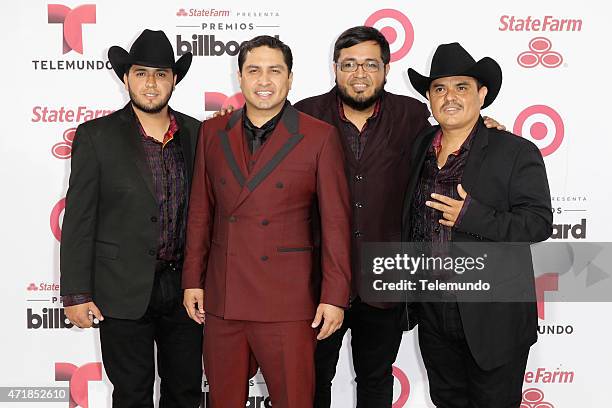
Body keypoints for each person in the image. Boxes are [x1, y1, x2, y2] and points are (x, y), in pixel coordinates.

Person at [295, 27, 504, 408]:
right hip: (319, 280)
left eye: (371, 64)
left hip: (386, 276)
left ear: (387, 69)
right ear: (335, 68)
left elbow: (454, 135)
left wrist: (485, 126)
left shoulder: (411, 116)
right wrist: (228, 117)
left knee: (376, 379)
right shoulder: (305, 115)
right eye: (350, 64)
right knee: (312, 380)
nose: (360, 73)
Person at [181, 35, 351, 408]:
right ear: (239, 77)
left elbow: (336, 222)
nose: (264, 80)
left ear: (290, 79)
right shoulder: (212, 133)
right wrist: (193, 279)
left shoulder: (319, 136)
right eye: (253, 70)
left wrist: (335, 296)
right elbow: (200, 212)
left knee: (294, 400)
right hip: (225, 296)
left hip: (288, 301)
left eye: (275, 70)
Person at [402, 42, 552, 407]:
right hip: (433, 312)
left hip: (493, 319)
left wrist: (471, 215)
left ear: (482, 95)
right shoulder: (418, 146)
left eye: (461, 87)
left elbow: (538, 223)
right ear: (429, 97)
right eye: (439, 88)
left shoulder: (515, 151)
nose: (449, 96)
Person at [60, 29, 203, 407]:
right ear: (126, 78)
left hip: (185, 290)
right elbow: (79, 219)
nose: (151, 83)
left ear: (174, 80)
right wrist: (76, 292)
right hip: (120, 289)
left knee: (186, 393)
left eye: (161, 74)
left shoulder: (198, 133)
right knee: (131, 395)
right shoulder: (96, 136)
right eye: (141, 73)